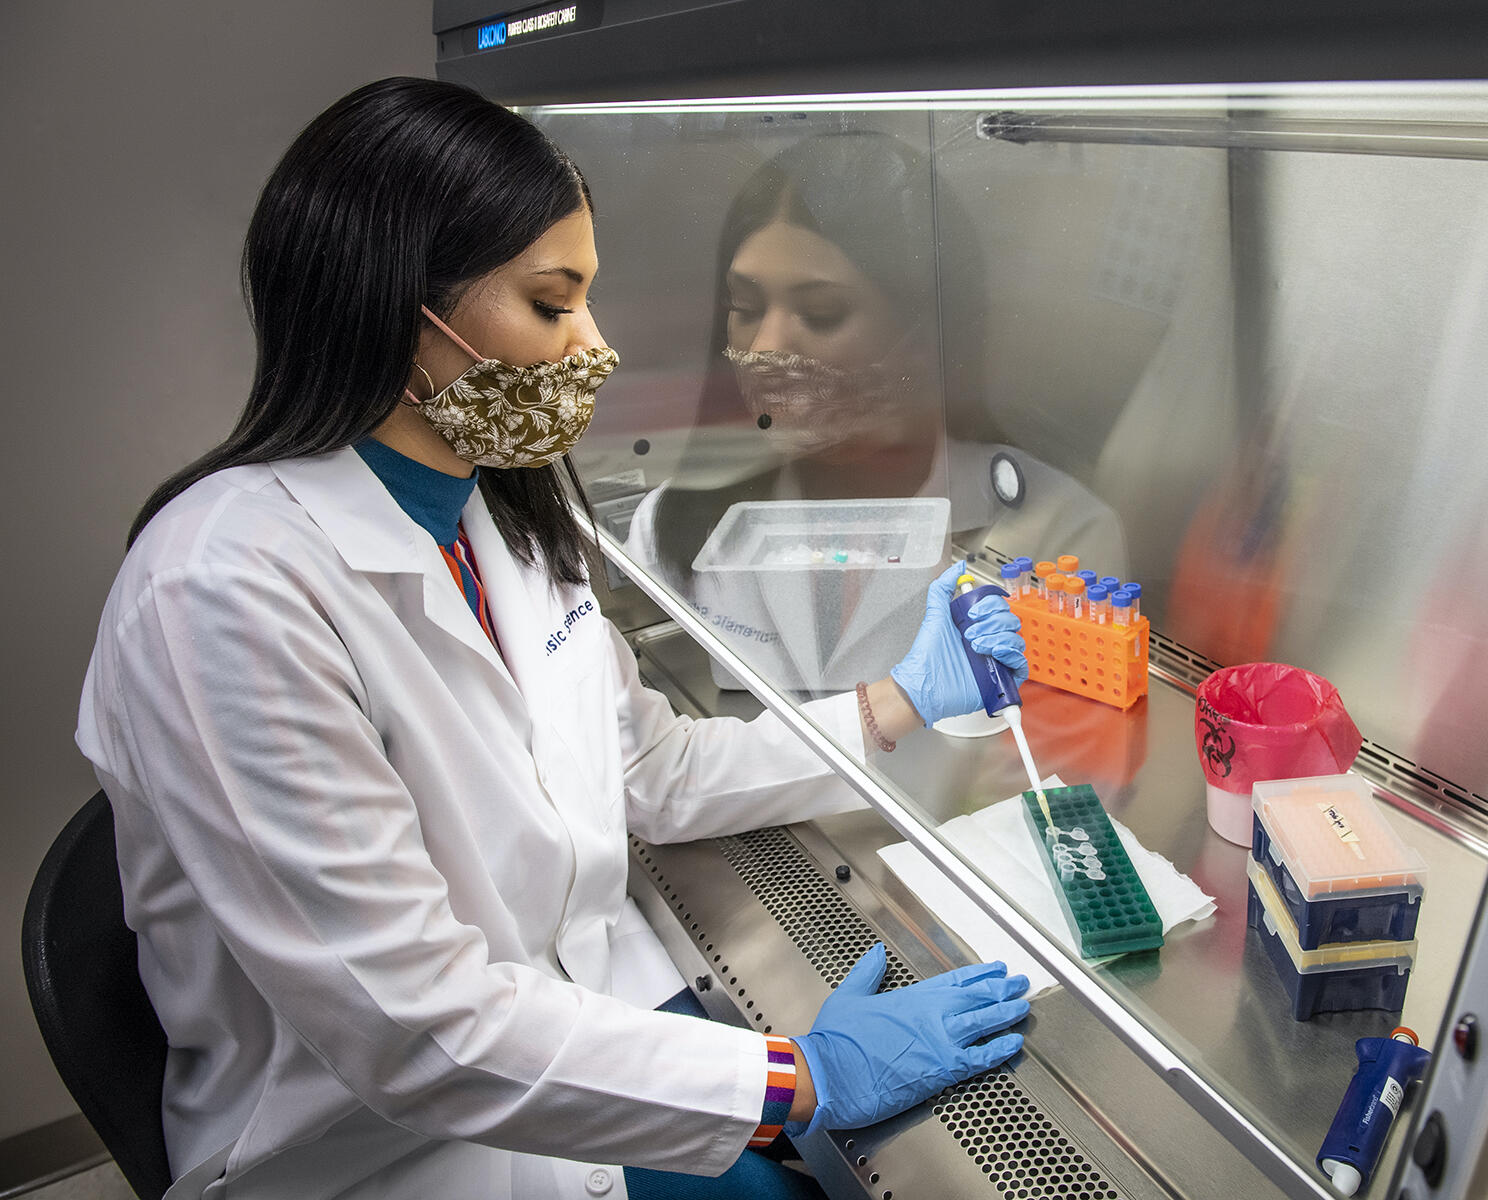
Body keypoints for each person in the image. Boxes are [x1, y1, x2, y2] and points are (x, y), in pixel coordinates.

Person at [74, 78, 1031, 1200]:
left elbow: (647, 769)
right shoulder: (222, 594)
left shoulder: (488, 512)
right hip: (391, 1150)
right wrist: (798, 1082)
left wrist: (898, 701)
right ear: (400, 307)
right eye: (550, 303)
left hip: (578, 1017)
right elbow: (418, 1034)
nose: (595, 346)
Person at [627, 132, 1128, 626]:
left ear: (924, 339)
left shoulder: (1058, 535)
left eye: (822, 312)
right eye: (747, 307)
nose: (765, 347)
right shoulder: (672, 525)